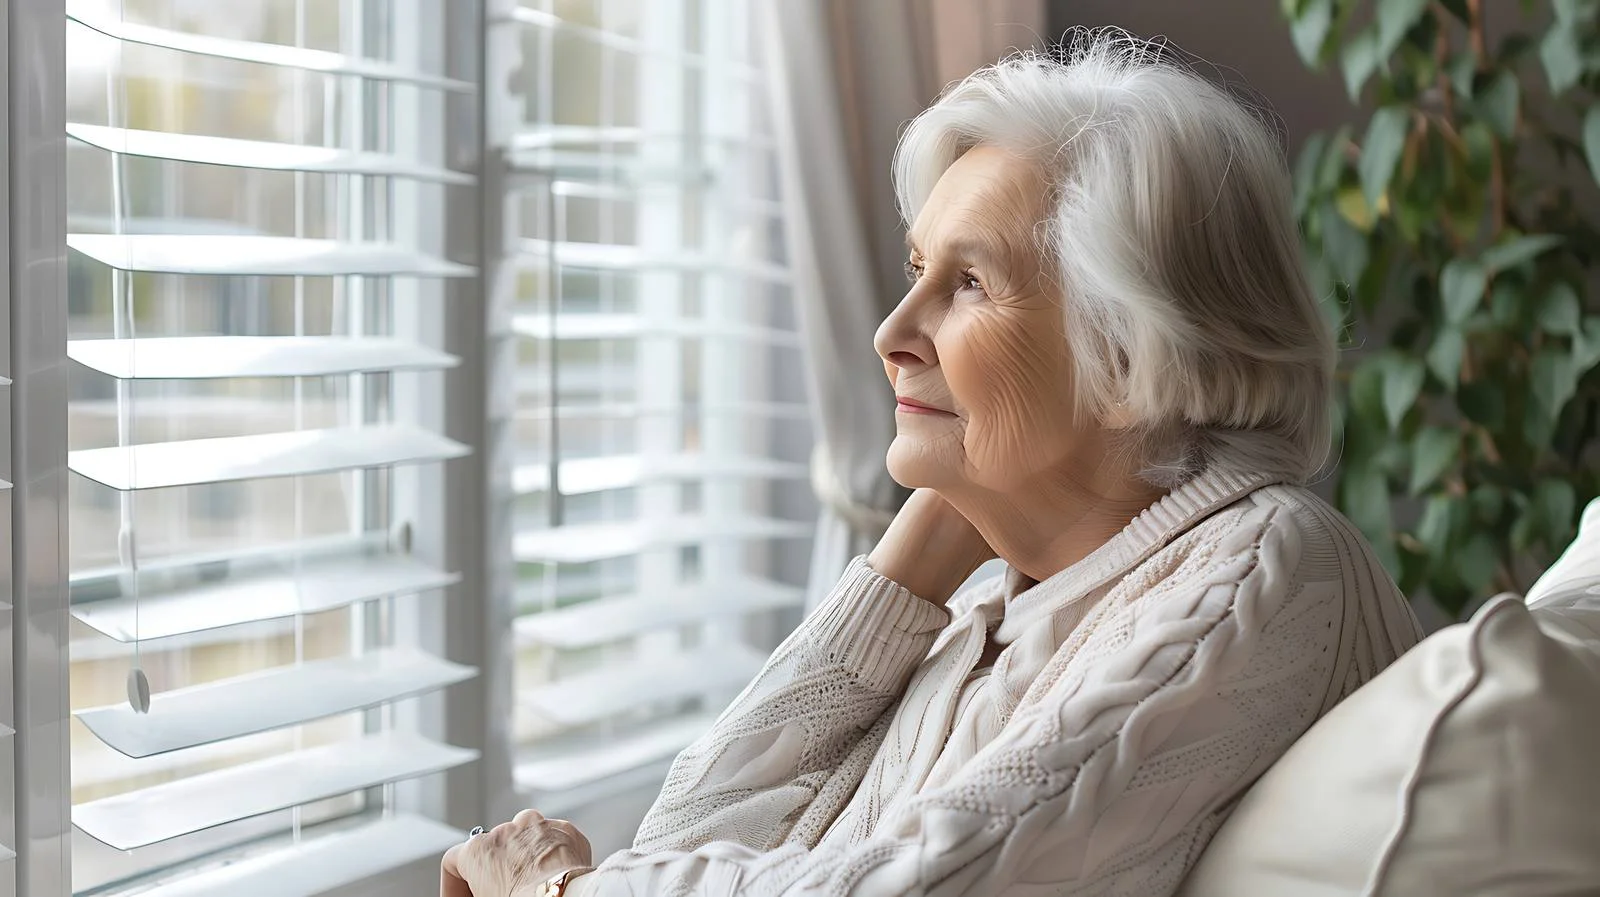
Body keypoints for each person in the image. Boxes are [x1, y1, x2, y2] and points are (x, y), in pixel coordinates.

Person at [443, 30, 1424, 897]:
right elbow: (684, 836)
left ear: (1129, 356)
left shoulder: (1264, 572)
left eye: (969, 283)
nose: (890, 334)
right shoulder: (992, 598)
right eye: (919, 271)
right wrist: (909, 565)